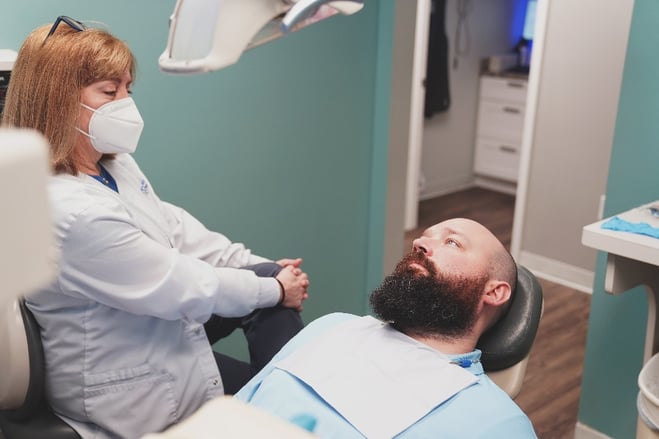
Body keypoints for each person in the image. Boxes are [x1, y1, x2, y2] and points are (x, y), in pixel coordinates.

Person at [2, 16, 310, 439]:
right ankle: (297, 412)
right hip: (130, 386)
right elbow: (181, 286)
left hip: (154, 335)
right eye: (109, 92)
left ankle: (294, 405)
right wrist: (276, 288)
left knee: (262, 284)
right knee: (267, 316)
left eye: (128, 88)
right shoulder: (67, 209)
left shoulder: (111, 163)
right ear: (58, 99)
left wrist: (264, 267)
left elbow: (173, 226)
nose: (125, 103)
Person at [235, 218, 538, 438]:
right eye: (425, 236)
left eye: (452, 242)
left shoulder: (496, 422)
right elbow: (234, 413)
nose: (420, 243)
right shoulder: (333, 326)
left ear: (494, 292)